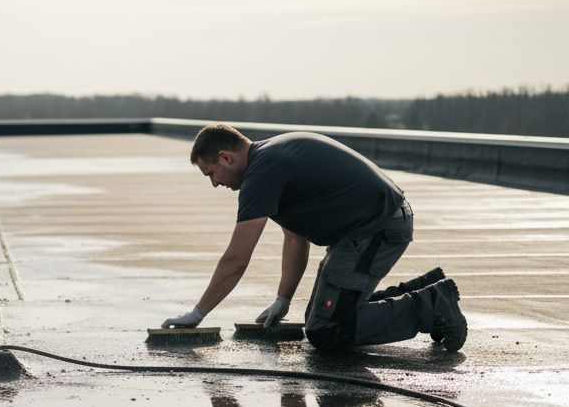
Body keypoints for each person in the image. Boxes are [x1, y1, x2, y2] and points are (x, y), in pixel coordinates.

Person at [163, 124, 467, 353]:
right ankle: (427, 291)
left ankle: (433, 305)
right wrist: (283, 300)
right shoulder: (270, 157)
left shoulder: (261, 174)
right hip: (370, 225)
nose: (215, 183)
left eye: (211, 174)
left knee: (326, 329)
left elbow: (237, 258)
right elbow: (295, 239)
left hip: (376, 226)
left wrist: (198, 313)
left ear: (225, 157)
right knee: (319, 317)